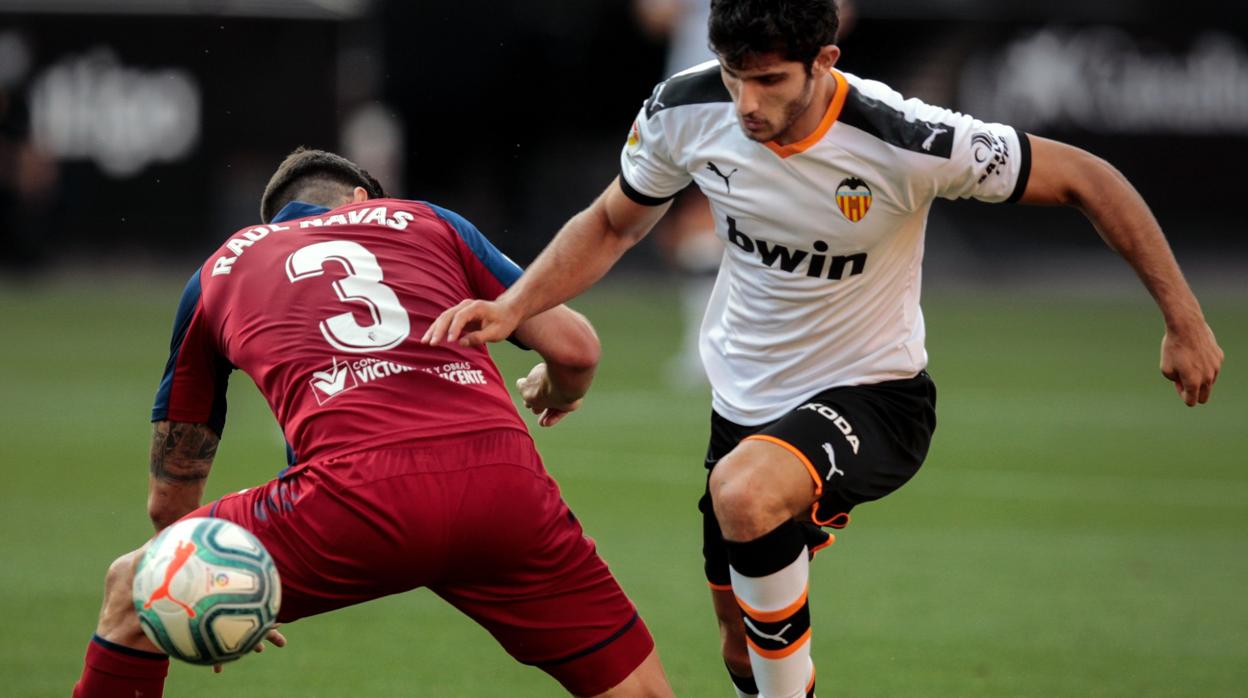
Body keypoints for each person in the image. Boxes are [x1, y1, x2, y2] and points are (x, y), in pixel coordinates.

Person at [422, 1, 1225, 697]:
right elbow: (611, 223)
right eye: (736, 73)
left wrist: (1183, 320)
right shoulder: (684, 109)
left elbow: (1090, 176)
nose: (747, 101)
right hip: (743, 405)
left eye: (770, 79)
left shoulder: (906, 138)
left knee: (744, 494)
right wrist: (514, 305)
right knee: (740, 640)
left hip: (875, 397)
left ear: (825, 61)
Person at [71, 148, 675, 698]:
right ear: (365, 200)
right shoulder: (426, 219)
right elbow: (577, 350)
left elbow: (170, 496)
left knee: (133, 589)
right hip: (503, 488)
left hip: (352, 499)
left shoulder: (219, 269)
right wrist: (556, 390)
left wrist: (211, 592)